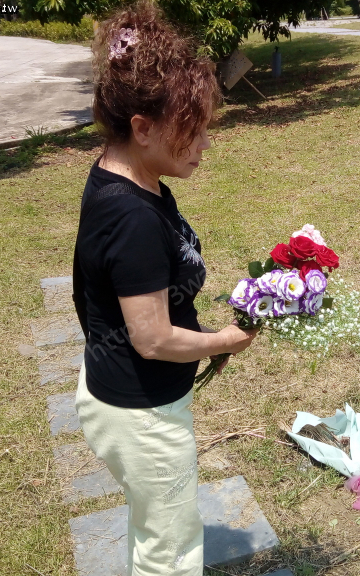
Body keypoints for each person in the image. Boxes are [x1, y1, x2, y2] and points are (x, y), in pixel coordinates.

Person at [71, 3, 257, 574]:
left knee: (155, 528)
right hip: (142, 414)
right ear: (143, 127)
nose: (204, 144)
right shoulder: (132, 216)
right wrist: (225, 340)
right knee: (171, 549)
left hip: (128, 397)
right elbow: (151, 339)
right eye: (191, 130)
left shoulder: (127, 176)